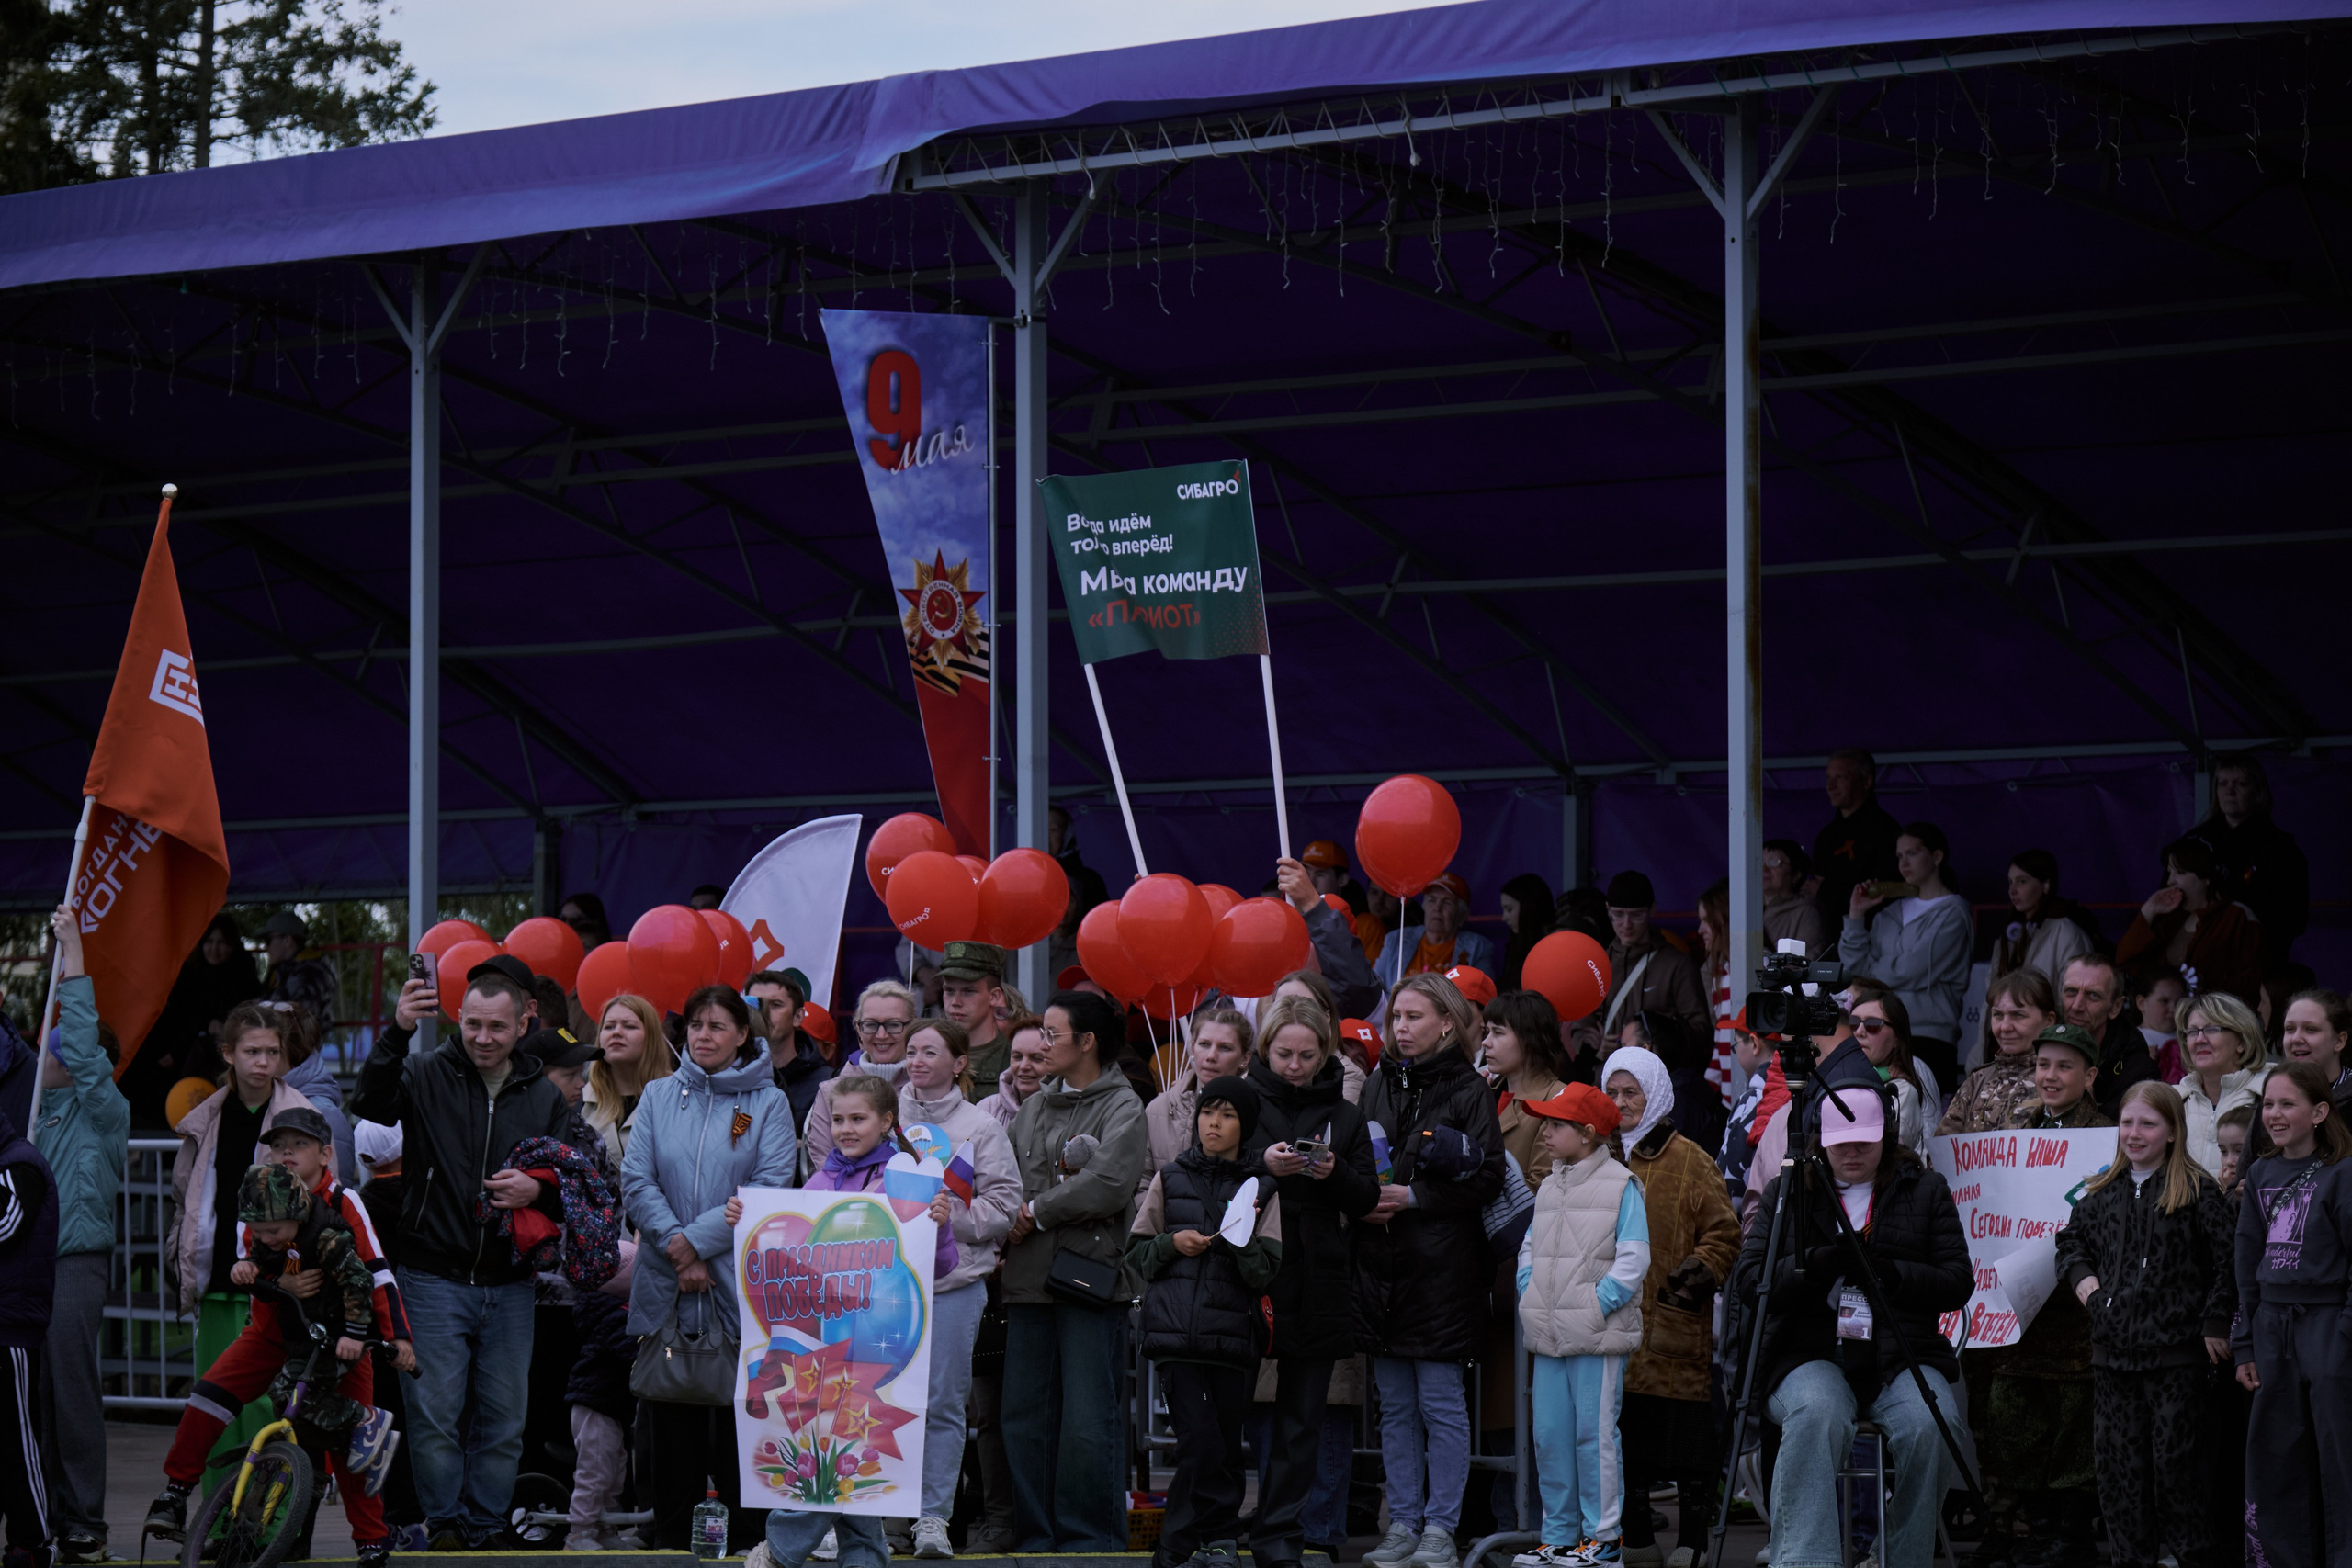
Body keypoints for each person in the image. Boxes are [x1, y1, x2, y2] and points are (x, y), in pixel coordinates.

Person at [352, 959, 573, 1549]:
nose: (482, 1037)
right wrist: (397, 1030)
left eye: (496, 1028)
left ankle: (486, 1528)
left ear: (522, 1024)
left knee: (504, 1423)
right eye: (473, 1024)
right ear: (458, 1017)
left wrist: (538, 1189)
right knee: (433, 1420)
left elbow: (578, 1173)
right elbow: (369, 1104)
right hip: (430, 1276)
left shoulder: (545, 1095)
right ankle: (446, 1526)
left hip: (510, 1283)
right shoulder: (423, 1072)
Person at [1735, 1079, 1972, 1568]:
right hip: (1810, 1352)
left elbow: (1956, 1282)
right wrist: (1811, 1266)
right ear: (1821, 1139)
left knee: (1933, 1423)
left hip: (1900, 1352)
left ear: (1886, 1135)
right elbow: (1750, 1281)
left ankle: (1903, 1558)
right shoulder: (1787, 1190)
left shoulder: (1924, 1187)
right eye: (1841, 1141)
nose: (1852, 1151)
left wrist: (1890, 1274)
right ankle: (1806, 1561)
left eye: (1864, 1140)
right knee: (1817, 1413)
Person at [741, 1072, 951, 1568]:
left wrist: (939, 1226)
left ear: (887, 1122)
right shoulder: (820, 1180)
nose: (846, 1129)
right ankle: (866, 1561)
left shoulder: (910, 1178)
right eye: (838, 1119)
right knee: (848, 1456)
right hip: (825, 1342)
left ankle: (782, 1550)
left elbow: (939, 1265)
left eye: (858, 1119)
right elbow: (794, 1252)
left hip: (875, 1345)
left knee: (840, 1449)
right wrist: (744, 1220)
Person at [621, 986, 795, 1551]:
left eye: (718, 1026)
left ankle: (749, 1545)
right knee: (671, 1417)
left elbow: (769, 1188)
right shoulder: (655, 1095)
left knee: (743, 1419)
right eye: (695, 1025)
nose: (703, 1036)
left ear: (743, 1034)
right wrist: (677, 1247)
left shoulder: (768, 1103)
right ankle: (671, 1541)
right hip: (666, 1282)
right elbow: (636, 1180)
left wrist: (694, 1246)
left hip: (741, 1282)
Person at [1354, 975, 1504, 1568]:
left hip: (1442, 1268)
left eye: (1414, 1016)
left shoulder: (1469, 1088)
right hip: (1381, 1264)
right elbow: (1357, 1157)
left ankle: (1440, 1527)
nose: (1401, 1028)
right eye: (1396, 1018)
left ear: (1446, 1021)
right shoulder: (1376, 1083)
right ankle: (1403, 1524)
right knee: (1393, 1405)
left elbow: (1488, 1175)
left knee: (1440, 1403)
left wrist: (1414, 1197)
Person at [2052, 1080, 2233, 1568]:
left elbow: (2227, 1263)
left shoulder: (2198, 1192)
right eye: (2127, 1122)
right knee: (2119, 1481)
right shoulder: (2100, 1194)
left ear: (2173, 1131)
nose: (2134, 1133)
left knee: (2178, 1477)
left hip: (2177, 1363)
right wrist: (2087, 1289)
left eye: (2148, 1124)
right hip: (2113, 1363)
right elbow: (2069, 1244)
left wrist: (2216, 1321)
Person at [1001, 990, 1148, 1551]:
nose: (1040, 1047)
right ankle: (1035, 1536)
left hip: (1090, 1282)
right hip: (1026, 1281)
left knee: (1088, 1420)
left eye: (1052, 1036)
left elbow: (1110, 1184)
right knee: (1024, 1417)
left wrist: (1035, 1211)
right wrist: (1001, 1214)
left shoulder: (1122, 1105)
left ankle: (1090, 1541)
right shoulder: (1034, 1104)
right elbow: (1009, 1176)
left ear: (1087, 1043)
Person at [1245, 997, 1379, 1568]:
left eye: (1306, 1054)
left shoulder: (1345, 1116)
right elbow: (1205, 1170)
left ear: (1324, 1052)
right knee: (1234, 1416)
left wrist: (1334, 1172)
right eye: (1283, 1054)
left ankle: (1281, 1536)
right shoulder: (1241, 1100)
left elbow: (1369, 1195)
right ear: (1265, 1049)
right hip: (1251, 1277)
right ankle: (1228, 1528)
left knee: (1304, 1419)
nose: (1295, 1066)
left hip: (1319, 1278)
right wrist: (1262, 1168)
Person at [1128, 1075, 1283, 1568]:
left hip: (1234, 1338)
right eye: (1207, 1112)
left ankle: (1215, 1541)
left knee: (1224, 1446)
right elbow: (1137, 1254)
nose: (1213, 1123)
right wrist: (1172, 1244)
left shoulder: (1263, 1188)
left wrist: (1240, 1247)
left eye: (1228, 1115)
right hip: (1176, 1336)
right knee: (1201, 1443)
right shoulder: (1169, 1176)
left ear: (1246, 1126)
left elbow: (1265, 1272)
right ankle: (1178, 1548)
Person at [1600, 1048, 1737, 1567]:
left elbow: (1725, 1232)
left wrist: (1696, 1275)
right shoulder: (1599, 1154)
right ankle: (1636, 1537)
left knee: (1686, 1444)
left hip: (1672, 1322)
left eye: (1630, 1092)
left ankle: (1692, 1540)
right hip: (1613, 1326)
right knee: (1626, 1437)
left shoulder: (1690, 1159)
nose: (1620, 1103)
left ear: (1654, 1092)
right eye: (1612, 1092)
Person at [164, 999, 318, 1457]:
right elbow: (184, 1197)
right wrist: (181, 1249)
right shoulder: (207, 1116)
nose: (263, 1062)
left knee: (263, 1408)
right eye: (252, 1052)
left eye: (272, 1052)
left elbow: (320, 1202)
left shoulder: (299, 1115)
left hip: (274, 1283)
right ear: (229, 1053)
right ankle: (218, 1521)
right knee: (212, 1403)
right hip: (216, 1279)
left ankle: (265, 1524)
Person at [895, 1020, 1023, 1559]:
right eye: (912, 1050)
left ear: (959, 1063)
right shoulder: (885, 1115)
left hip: (953, 1286)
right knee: (884, 1403)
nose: (918, 1059)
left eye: (931, 1051)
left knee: (942, 1406)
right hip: (887, 1286)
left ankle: (931, 1520)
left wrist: (954, 1216)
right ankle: (885, 1520)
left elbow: (1006, 1206)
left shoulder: (981, 1127)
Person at [1505, 1082, 1646, 1568]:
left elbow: (1633, 1260)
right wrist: (1531, 1292)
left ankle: (1603, 1540)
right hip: (1549, 1335)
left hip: (1596, 1337)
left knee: (1594, 1437)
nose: (1545, 1131)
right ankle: (1561, 1536)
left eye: (1557, 1124)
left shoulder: (1621, 1184)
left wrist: (1594, 1305)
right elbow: (1530, 1247)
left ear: (1588, 1133)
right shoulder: (1549, 1185)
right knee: (1551, 1436)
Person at [31, 907, 128, 1563]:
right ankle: (39, 1511)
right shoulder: (30, 1111)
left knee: (69, 1387)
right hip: (25, 1267)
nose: (51, 1051)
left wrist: (74, 951)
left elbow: (82, 1043)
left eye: (63, 1046)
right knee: (28, 1394)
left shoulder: (104, 1108)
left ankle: (84, 1520)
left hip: (74, 1263)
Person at [2233, 1060, 2352, 1568]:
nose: (2274, 1115)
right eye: (2268, 1104)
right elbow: (2246, 1258)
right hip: (2271, 1329)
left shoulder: (2343, 1173)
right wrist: (2244, 1343)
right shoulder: (2259, 1172)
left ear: (2320, 1111)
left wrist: (2344, 1332)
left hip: (2327, 1327)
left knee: (2339, 1456)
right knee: (2275, 1456)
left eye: (2288, 1104)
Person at [1837, 822, 1970, 1096]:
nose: (1903, 862)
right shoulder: (1888, 912)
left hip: (1929, 1035)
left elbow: (1913, 969)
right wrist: (1856, 917)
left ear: (1936, 857)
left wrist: (1873, 973)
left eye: (1912, 853)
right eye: (1899, 856)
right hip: (1881, 1032)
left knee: (1925, 1119)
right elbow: (1855, 972)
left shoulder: (1953, 911)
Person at [128, 910, 262, 1128]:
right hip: (180, 1052)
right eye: (209, 941)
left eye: (221, 943)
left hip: (214, 1059)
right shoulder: (193, 975)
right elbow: (184, 1018)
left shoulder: (243, 979)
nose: (214, 948)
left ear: (232, 945)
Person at [1977, 850, 2098, 1066]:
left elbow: (2071, 1001)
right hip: (2000, 1052)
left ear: (2046, 885)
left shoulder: (2065, 931)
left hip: (2045, 1053)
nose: (2013, 890)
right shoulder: (2009, 935)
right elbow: (1990, 1002)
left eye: (2022, 881)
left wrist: (2059, 1051)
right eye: (2010, 882)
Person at [0, 1105, 56, 1568]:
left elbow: (6, 1226)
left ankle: (35, 1542)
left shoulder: (20, 1163)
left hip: (9, 1327)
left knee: (17, 1442)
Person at [2118, 836, 2263, 1007]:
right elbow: (2124, 962)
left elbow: (2255, 980)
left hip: (2214, 1023)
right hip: (2167, 1025)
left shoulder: (2238, 916)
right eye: (2170, 871)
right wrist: (2148, 912)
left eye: (2180, 872)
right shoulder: (2168, 917)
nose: (2170, 881)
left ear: (2206, 877)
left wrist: (2209, 987)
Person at [2194, 752, 2309, 965]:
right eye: (2222, 783)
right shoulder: (2195, 843)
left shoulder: (2281, 850)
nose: (2229, 791)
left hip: (2258, 960)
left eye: (2241, 784)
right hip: (2202, 960)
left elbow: (2294, 917)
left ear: (2258, 791)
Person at [803, 979, 918, 1172]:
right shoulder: (829, 1091)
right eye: (871, 1024)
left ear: (912, 1028)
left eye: (893, 1024)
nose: (881, 1035)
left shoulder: (926, 1088)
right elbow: (822, 1165)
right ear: (858, 1030)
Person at [1143, 1009, 1253, 1188]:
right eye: (1204, 1044)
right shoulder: (1158, 1109)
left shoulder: (1257, 1110)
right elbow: (1142, 1181)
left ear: (1245, 1057)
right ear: (1192, 1048)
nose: (1211, 1056)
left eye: (1225, 1048)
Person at [1939, 969, 2056, 1135]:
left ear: (2049, 1021)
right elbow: (1943, 1154)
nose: (2005, 1027)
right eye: (1998, 1015)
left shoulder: (2062, 1080)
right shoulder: (1977, 1080)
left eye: (2018, 1015)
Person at [1598, 871, 1708, 1043]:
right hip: (1605, 1068)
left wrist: (1649, 1043)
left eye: (1636, 915)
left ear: (1652, 909)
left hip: (1659, 1067)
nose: (1626, 925)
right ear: (1607, 909)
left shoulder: (1678, 965)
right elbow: (1581, 1023)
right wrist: (1594, 1047)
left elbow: (1699, 1030)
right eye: (1618, 915)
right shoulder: (1597, 964)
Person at [1275, 856, 1384, 1017]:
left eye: (1309, 934)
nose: (1295, 943)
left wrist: (1312, 905)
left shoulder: (1363, 999)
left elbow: (1353, 979)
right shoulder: (1272, 989)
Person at [2056, 953, 2160, 1118]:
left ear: (2115, 1007)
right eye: (2070, 991)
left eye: (2093, 995)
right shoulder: (2039, 1050)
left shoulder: (2138, 1072)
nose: (2077, 1006)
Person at [1485, 991, 1571, 1187]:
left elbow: (1541, 1187)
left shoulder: (1558, 1100)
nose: (1486, 1042)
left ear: (1530, 1039)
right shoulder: (1484, 1093)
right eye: (1486, 1032)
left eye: (1497, 1033)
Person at [1808, 748, 1904, 923]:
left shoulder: (1887, 832)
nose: (1831, 786)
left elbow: (1886, 893)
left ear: (1866, 781)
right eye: (1828, 778)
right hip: (1833, 938)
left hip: (1876, 935)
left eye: (1840, 777)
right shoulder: (1826, 836)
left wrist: (1826, 891)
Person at [2175, 992, 2263, 1177]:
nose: (2199, 1040)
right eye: (2192, 1032)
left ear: (2241, 1041)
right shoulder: (2173, 1101)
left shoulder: (2267, 1097)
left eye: (2212, 1029)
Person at [582, 992, 674, 1169]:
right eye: (609, 1027)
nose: (617, 1032)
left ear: (651, 1037)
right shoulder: (580, 1099)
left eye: (629, 1026)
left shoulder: (678, 1096)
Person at [1847, 983, 1939, 1158]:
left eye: (1873, 1025)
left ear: (1897, 1038)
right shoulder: (1829, 1076)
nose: (1859, 1031)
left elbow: (1880, 1160)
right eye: (1853, 1022)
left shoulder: (1902, 1091)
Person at [1375, 873, 1498, 988]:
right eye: (1432, 900)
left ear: (1462, 915)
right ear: (1424, 907)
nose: (1437, 908)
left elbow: (1482, 998)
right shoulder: (1397, 939)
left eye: (1447, 902)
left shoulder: (1478, 947)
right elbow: (1376, 987)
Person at [749, 969, 833, 1132]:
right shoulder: (725, 1075)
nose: (764, 1013)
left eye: (775, 1005)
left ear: (798, 1017)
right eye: (756, 1004)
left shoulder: (827, 1083)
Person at [935, 942, 1011, 1090]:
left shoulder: (1013, 1061)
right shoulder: (926, 1056)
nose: (955, 1002)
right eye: (949, 991)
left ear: (994, 996)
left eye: (968, 991)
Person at [1304, 839, 1390, 964]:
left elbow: (1367, 979)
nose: (1310, 882)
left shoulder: (1368, 926)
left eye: (1320, 874)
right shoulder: (1295, 917)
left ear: (1342, 880)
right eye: (1306, 874)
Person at [1695, 878, 1739, 1111]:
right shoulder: (1721, 973)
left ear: (1723, 920)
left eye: (1706, 921)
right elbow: (1722, 1039)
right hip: (1731, 1101)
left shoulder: (1760, 969)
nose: (1700, 930)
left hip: (1753, 1098)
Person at [259, 909, 339, 1026]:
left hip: (294, 1042)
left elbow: (302, 1019)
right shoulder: (282, 969)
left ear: (287, 940)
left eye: (268, 940)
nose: (265, 947)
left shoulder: (309, 973)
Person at [2280, 988, 2352, 1116]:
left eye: (2311, 1029)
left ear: (2339, 1041)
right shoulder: (2269, 1095)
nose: (2296, 1038)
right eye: (2290, 1029)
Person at [978, 1016, 1047, 1131]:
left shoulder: (1066, 1111)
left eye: (1036, 1058)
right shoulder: (987, 1109)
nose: (1024, 1066)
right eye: (1017, 1057)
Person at [1760, 840, 1826, 958]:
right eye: (1759, 862)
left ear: (1796, 874)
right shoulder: (1748, 914)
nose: (1764, 869)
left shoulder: (1807, 913)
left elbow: (1803, 965)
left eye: (1774, 862)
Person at [1497, 874, 1555, 995]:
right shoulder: (1515, 945)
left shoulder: (1551, 949)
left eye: (1509, 909)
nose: (1504, 917)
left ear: (1528, 907)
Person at [2140, 968, 2190, 1083]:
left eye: (2179, 1002)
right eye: (2164, 1001)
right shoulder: (2131, 1040)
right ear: (2141, 1003)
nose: (2173, 1009)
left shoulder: (2190, 1036)